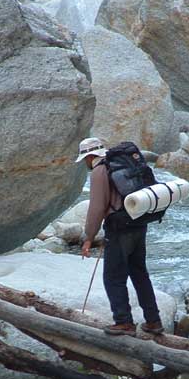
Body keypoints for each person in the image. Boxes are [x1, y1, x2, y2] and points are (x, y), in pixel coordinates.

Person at [77, 137, 164, 336]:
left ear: (89, 156)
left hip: (119, 229)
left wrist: (89, 237)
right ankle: (153, 321)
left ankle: (124, 322)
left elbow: (97, 207)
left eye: (84, 159)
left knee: (113, 277)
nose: (85, 163)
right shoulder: (122, 162)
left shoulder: (100, 170)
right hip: (139, 222)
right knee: (139, 273)